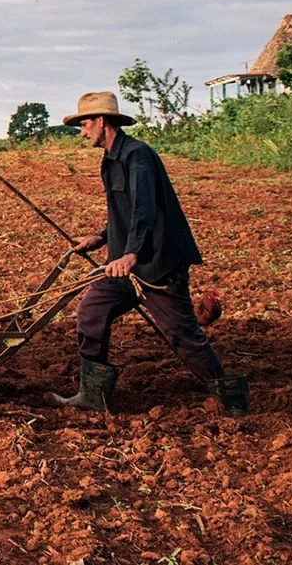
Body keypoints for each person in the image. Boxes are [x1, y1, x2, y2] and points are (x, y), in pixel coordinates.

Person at [53, 91, 248, 416]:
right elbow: (125, 211)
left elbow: (145, 209)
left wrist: (131, 254)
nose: (82, 131)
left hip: (157, 265)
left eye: (84, 124)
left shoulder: (137, 156)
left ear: (101, 121)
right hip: (125, 268)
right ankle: (92, 395)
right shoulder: (110, 160)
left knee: (182, 334)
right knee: (91, 312)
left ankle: (232, 399)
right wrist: (101, 238)